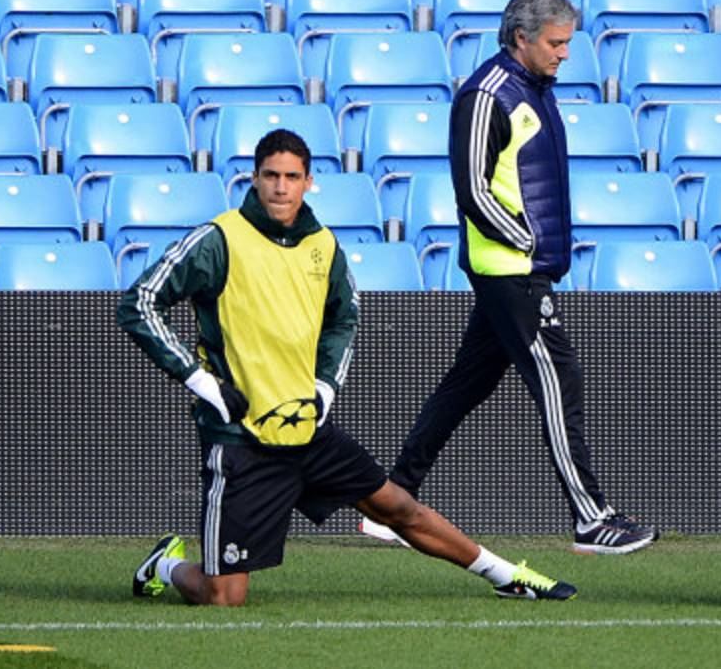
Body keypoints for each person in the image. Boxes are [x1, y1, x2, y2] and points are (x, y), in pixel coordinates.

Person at [117, 129, 576, 605]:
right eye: (271, 175)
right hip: (242, 441)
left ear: (308, 182)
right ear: (253, 179)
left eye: (292, 177)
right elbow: (140, 303)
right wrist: (201, 382)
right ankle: (166, 565)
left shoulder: (323, 244)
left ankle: (507, 576)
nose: (280, 187)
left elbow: (345, 315)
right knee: (223, 597)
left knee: (397, 507)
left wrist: (325, 386)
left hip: (307, 429)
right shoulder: (217, 239)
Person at [380, 0, 657, 555]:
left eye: (567, 43)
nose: (564, 54)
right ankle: (591, 519)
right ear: (521, 38)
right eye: (555, 43)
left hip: (521, 266)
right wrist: (527, 244)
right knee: (559, 382)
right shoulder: (487, 95)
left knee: (466, 385)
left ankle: (392, 502)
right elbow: (473, 191)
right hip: (509, 269)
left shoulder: (535, 88)